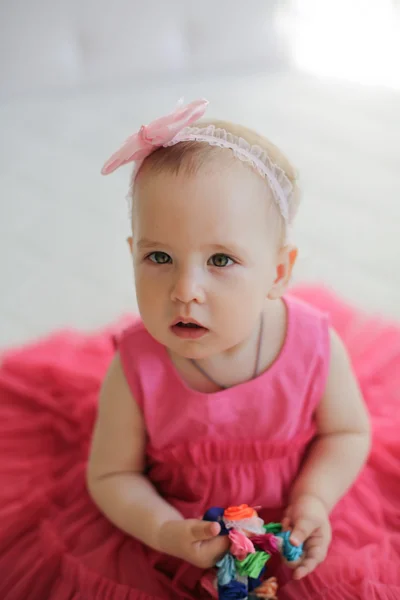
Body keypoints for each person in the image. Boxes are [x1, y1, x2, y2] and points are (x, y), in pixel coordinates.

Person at [0, 99, 399, 600]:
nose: (185, 288)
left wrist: (315, 498)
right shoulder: (136, 367)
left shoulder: (315, 346)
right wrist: (166, 532)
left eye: (221, 259)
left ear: (277, 273)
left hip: (294, 521)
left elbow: (347, 432)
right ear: (132, 255)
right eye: (159, 256)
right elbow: (112, 474)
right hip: (177, 531)